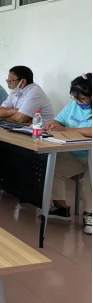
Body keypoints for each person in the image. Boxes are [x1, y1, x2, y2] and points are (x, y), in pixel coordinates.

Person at [43, 73, 92, 234]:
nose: (78, 102)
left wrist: (66, 130)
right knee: (52, 167)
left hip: (90, 156)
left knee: (90, 177)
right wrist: (53, 123)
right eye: (75, 98)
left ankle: (89, 214)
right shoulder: (74, 105)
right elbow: (59, 120)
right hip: (77, 155)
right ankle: (61, 208)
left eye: (82, 99)